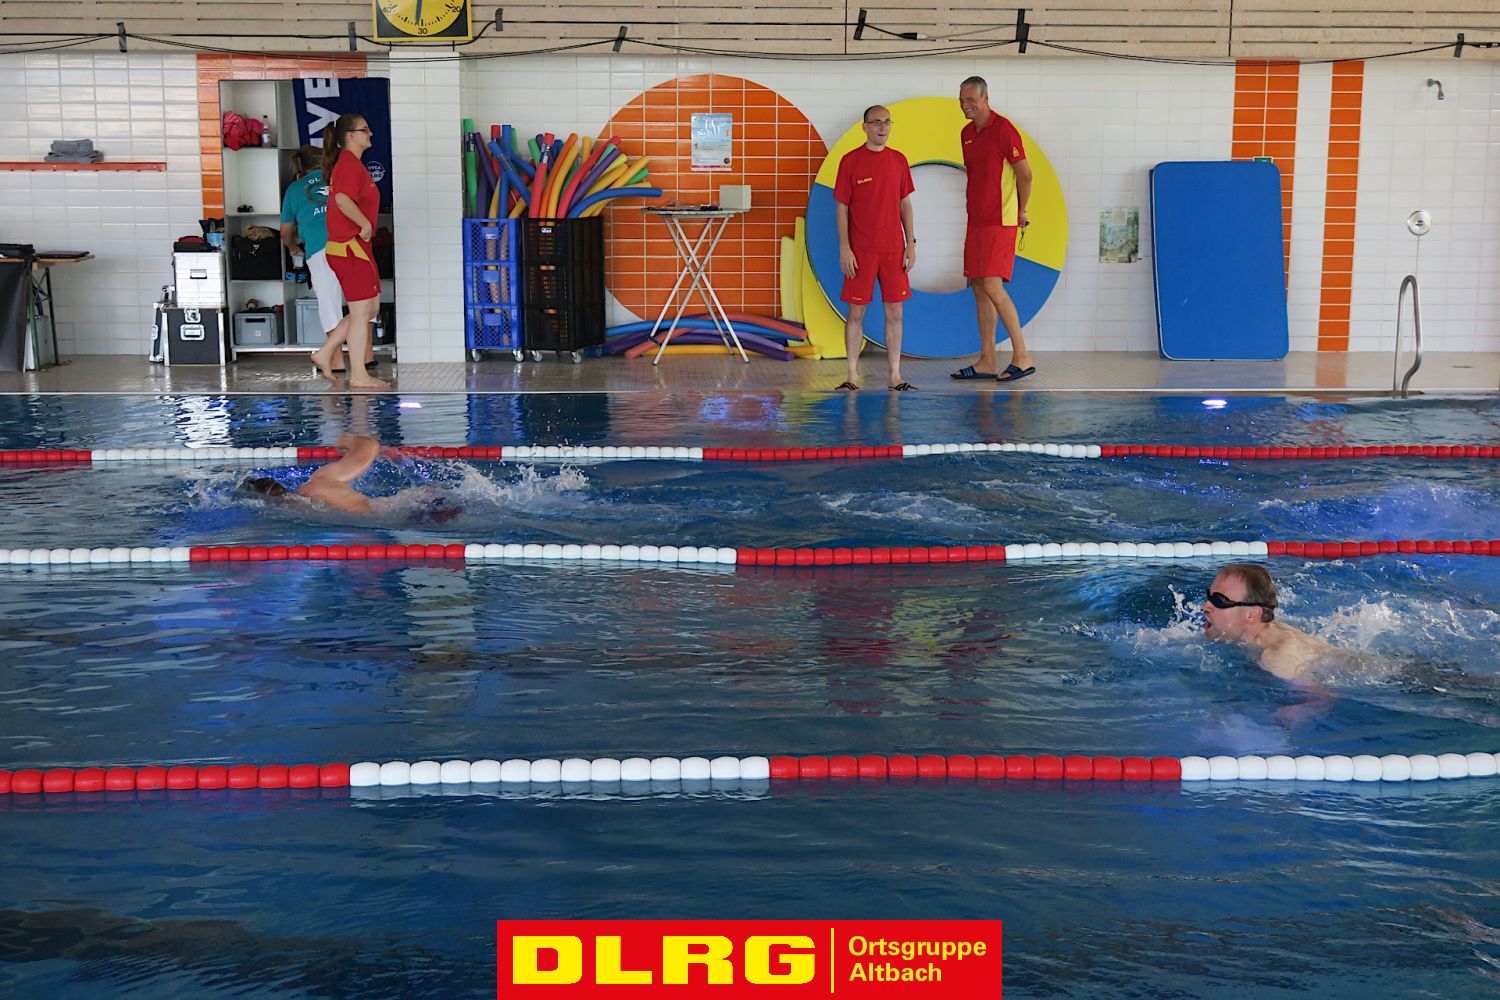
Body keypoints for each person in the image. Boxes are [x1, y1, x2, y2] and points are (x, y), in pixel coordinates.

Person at [951, 76, 1036, 384]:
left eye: (971, 100)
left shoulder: (1003, 130)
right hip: (976, 220)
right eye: (962, 101)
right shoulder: (966, 134)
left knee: (992, 284)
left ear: (986, 98)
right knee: (979, 287)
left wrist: (1021, 210)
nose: (965, 106)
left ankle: (1022, 357)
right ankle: (987, 360)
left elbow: (1025, 175)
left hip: (1001, 220)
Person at [1202, 563, 1359, 722]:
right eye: (1209, 596)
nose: (1205, 606)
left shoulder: (1275, 657)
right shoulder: (1262, 632)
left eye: (1219, 600)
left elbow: (1321, 700)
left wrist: (1279, 722)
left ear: (1252, 615)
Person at [832, 105, 918, 393]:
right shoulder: (850, 161)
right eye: (877, 122)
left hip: (893, 250)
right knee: (856, 312)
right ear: (865, 127)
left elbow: (905, 204)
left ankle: (895, 375)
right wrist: (845, 247)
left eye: (887, 122)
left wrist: (911, 243)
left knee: (896, 312)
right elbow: (842, 207)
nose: (883, 127)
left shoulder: (898, 160)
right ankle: (852, 375)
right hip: (861, 251)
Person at [313, 114, 389, 390]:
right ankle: (358, 374)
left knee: (370, 308)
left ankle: (326, 351)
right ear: (350, 136)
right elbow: (342, 200)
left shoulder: (352, 165)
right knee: (361, 312)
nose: (370, 134)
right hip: (349, 248)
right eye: (364, 130)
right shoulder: (347, 163)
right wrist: (364, 224)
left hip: (355, 248)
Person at [280, 146, 368, 378]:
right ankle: (367, 357)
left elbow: (285, 231)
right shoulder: (341, 179)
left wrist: (293, 247)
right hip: (351, 244)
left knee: (329, 304)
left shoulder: (295, 189)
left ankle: (336, 359)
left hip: (320, 249)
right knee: (365, 301)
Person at [240, 433, 457, 522]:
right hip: (407, 505)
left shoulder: (294, 513)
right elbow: (370, 445)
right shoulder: (317, 484)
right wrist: (348, 440)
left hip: (403, 515)